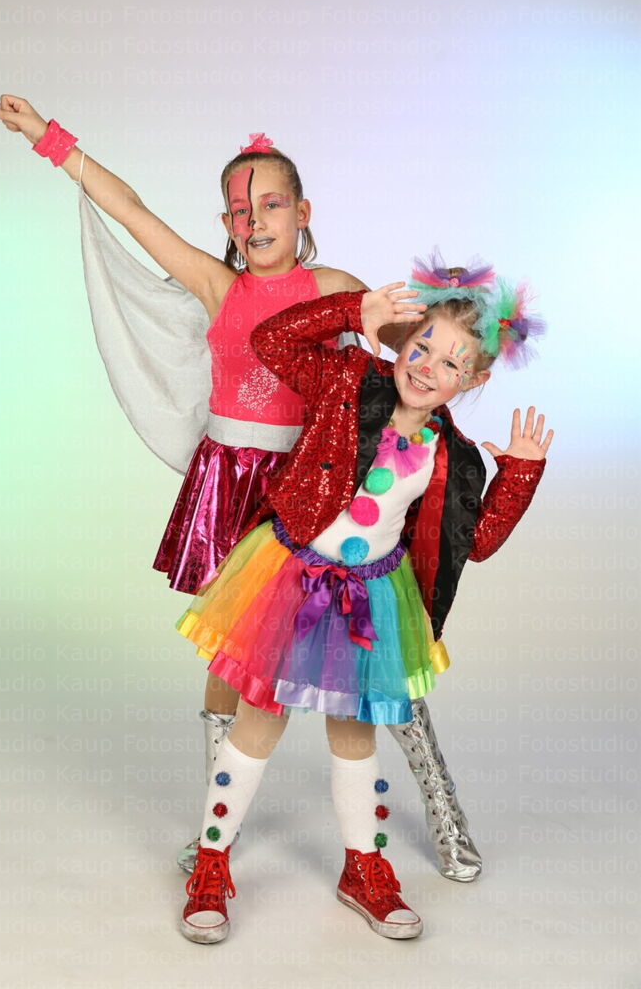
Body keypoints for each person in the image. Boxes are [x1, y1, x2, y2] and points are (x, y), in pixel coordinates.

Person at [0, 99, 483, 879]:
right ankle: (219, 828)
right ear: (227, 221)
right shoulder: (217, 284)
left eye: (271, 205)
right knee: (233, 653)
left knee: (377, 650)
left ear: (303, 212)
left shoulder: (335, 285)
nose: (255, 222)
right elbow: (133, 211)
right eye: (240, 210)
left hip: (322, 482)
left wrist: (467, 342)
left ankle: (443, 807)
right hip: (232, 485)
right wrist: (48, 138)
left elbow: (418, 365)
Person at [177, 255, 551, 943]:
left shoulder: (451, 456)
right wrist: (352, 312)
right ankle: (211, 862)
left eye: (451, 362)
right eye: (422, 346)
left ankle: (364, 869)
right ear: (403, 340)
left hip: (370, 596)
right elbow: (271, 341)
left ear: (473, 380)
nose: (428, 366)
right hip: (290, 577)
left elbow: (475, 541)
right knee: (260, 718)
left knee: (355, 735)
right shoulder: (348, 379)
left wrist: (519, 474)